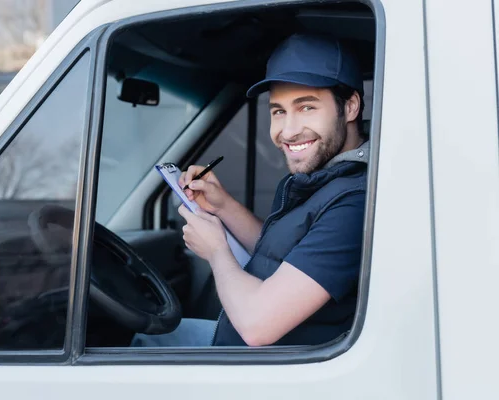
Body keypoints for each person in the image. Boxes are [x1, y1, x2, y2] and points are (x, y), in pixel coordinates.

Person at [131, 33, 369, 347]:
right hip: (249, 352)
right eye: (278, 111)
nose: (288, 130)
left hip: (274, 368)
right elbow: (288, 257)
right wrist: (223, 205)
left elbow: (257, 326)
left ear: (350, 106)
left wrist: (216, 251)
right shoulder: (324, 178)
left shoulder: (354, 202)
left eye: (307, 107)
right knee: (147, 337)